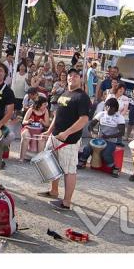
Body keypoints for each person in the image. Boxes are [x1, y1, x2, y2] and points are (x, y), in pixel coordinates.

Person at [36, 68, 90, 210]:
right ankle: (54, 191)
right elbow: (57, 115)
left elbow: (84, 119)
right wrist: (49, 130)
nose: (72, 77)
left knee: (69, 170)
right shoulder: (65, 93)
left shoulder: (82, 97)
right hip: (55, 136)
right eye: (70, 75)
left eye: (76, 75)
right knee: (51, 163)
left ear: (80, 79)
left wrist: (67, 133)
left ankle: (66, 202)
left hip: (69, 140)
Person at [90, 98, 126, 177]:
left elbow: (121, 133)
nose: (109, 109)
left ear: (115, 108)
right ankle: (82, 162)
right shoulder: (101, 114)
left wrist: (108, 136)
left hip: (111, 141)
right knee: (87, 149)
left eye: (111, 107)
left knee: (105, 154)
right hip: (99, 139)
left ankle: (114, 168)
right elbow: (91, 125)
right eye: (107, 106)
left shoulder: (119, 117)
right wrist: (92, 132)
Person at [18, 96, 50, 161]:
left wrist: (42, 122)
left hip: (39, 130)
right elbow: (24, 122)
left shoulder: (45, 111)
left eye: (45, 104)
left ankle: (38, 159)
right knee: (26, 136)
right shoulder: (31, 109)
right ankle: (22, 158)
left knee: (42, 138)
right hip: (28, 128)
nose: (45, 106)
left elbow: (47, 124)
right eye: (44, 104)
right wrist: (28, 121)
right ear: (39, 104)